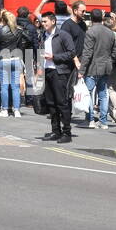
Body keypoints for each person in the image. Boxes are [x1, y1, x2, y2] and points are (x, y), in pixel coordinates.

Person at [40, 11, 76, 143]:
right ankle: (56, 131)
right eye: (42, 22)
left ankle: (67, 133)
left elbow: (71, 53)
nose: (43, 24)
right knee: (51, 103)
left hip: (60, 72)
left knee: (62, 103)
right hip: (47, 71)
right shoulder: (43, 35)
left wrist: (54, 57)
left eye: (45, 21)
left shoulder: (63, 35)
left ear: (53, 21)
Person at [80, 10, 116, 129]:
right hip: (106, 66)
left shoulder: (90, 32)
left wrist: (81, 70)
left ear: (91, 18)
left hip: (93, 67)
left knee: (88, 93)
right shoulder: (110, 32)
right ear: (101, 18)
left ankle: (90, 119)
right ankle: (103, 122)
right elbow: (114, 51)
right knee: (103, 94)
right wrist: (110, 61)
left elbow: (87, 53)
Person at [0, 9, 27, 117]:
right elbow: (21, 46)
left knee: (4, 86)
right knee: (15, 86)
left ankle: (5, 110)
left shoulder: (0, 31)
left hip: (4, 60)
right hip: (15, 59)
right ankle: (16, 110)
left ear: (3, 20)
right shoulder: (18, 31)